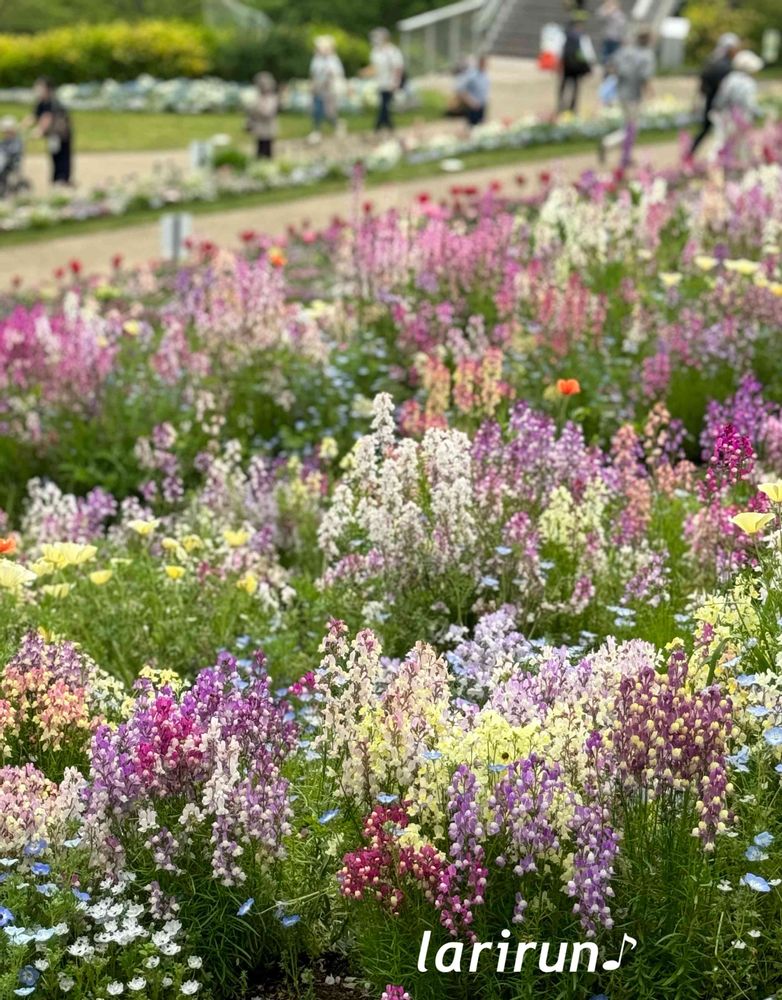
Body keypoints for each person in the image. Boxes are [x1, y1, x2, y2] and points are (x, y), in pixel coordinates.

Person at [598, 27, 656, 169]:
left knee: (628, 126)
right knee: (632, 129)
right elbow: (645, 77)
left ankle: (625, 155)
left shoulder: (625, 50)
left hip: (621, 92)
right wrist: (650, 93)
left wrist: (620, 76)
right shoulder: (647, 55)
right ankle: (613, 148)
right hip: (634, 95)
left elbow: (610, 65)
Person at [687, 32, 740, 160]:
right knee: (722, 134)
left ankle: (689, 153)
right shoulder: (726, 65)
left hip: (709, 101)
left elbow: (702, 83)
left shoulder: (711, 60)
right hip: (719, 104)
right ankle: (718, 160)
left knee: (705, 129)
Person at [711, 49, 764, 166]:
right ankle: (739, 166)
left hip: (727, 115)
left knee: (723, 142)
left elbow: (720, 98)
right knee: (741, 145)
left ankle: (718, 165)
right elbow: (750, 104)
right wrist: (760, 113)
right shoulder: (749, 83)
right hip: (743, 117)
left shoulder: (729, 78)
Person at [29, 77, 72, 185]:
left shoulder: (52, 102)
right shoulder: (41, 102)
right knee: (54, 155)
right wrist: (19, 126)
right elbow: (34, 116)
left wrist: (39, 130)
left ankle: (62, 178)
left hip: (61, 134)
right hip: (52, 134)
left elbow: (47, 117)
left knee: (62, 155)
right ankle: (56, 178)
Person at [367, 28, 404, 132]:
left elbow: (398, 67)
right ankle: (388, 125)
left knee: (384, 103)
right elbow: (374, 67)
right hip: (380, 82)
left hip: (390, 81)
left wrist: (396, 81)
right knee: (384, 104)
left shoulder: (392, 51)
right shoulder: (375, 51)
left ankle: (378, 125)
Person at [309, 36, 345, 142]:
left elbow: (335, 75)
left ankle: (338, 124)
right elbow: (313, 74)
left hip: (330, 90)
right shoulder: (316, 59)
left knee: (329, 112)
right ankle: (316, 130)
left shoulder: (334, 60)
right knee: (317, 110)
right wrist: (313, 86)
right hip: (318, 89)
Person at [558, 21, 594, 114]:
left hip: (567, 65)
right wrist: (590, 65)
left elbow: (559, 49)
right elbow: (588, 52)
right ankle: (572, 107)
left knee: (563, 85)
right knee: (575, 87)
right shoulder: (582, 37)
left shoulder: (565, 36)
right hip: (577, 66)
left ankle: (560, 105)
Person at [245, 72, 279, 160]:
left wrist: (256, 110)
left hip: (268, 128)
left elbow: (268, 113)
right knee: (259, 149)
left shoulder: (272, 98)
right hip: (259, 128)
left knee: (267, 148)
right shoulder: (258, 97)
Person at [456, 54, 490, 127]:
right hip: (473, 106)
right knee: (472, 129)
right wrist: (470, 101)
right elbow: (460, 89)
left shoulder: (485, 74)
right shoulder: (471, 75)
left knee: (481, 128)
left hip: (482, 105)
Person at [597, 0, 627, 66]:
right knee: (604, 55)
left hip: (616, 39)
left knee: (614, 56)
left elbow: (622, 27)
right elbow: (600, 16)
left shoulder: (620, 14)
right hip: (607, 37)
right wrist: (607, 9)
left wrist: (623, 38)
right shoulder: (604, 11)